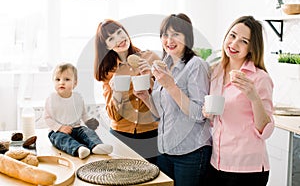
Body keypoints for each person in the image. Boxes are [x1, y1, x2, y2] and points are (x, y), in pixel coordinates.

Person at [134, 13, 212, 186]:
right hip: (165, 149)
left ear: (187, 37)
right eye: (165, 35)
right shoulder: (163, 65)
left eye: (176, 34)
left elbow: (199, 113)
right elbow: (160, 114)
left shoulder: (196, 65)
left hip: (191, 152)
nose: (169, 40)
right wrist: (146, 97)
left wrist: (170, 86)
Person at [203, 16, 274, 186]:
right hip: (217, 163)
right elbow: (218, 119)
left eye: (243, 41)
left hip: (247, 169)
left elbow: (266, 131)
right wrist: (207, 113)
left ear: (251, 48)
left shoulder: (259, 78)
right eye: (232, 36)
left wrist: (253, 96)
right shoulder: (216, 71)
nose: (234, 44)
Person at [94, 19, 161, 164]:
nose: (119, 40)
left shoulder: (150, 58)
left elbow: (165, 103)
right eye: (111, 39)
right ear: (106, 46)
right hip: (120, 136)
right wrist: (116, 92)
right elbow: (113, 116)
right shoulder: (108, 72)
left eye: (119, 33)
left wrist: (149, 76)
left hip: (151, 134)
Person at [43, 63, 113, 159]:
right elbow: (47, 118)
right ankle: (79, 149)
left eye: (67, 79)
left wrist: (88, 121)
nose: (61, 82)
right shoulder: (51, 99)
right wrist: (60, 127)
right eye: (57, 79)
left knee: (87, 132)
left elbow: (83, 113)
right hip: (58, 131)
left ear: (75, 83)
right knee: (61, 139)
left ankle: (96, 145)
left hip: (76, 128)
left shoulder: (78, 98)